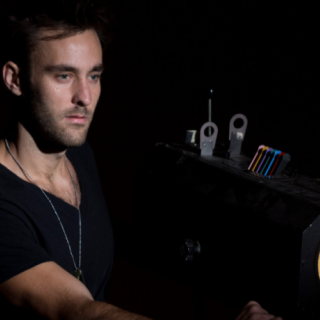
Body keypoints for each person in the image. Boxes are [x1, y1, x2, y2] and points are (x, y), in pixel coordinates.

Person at [0, 1, 283, 319]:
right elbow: (78, 310)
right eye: (64, 76)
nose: (85, 97)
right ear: (15, 79)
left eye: (94, 76)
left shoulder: (78, 155)